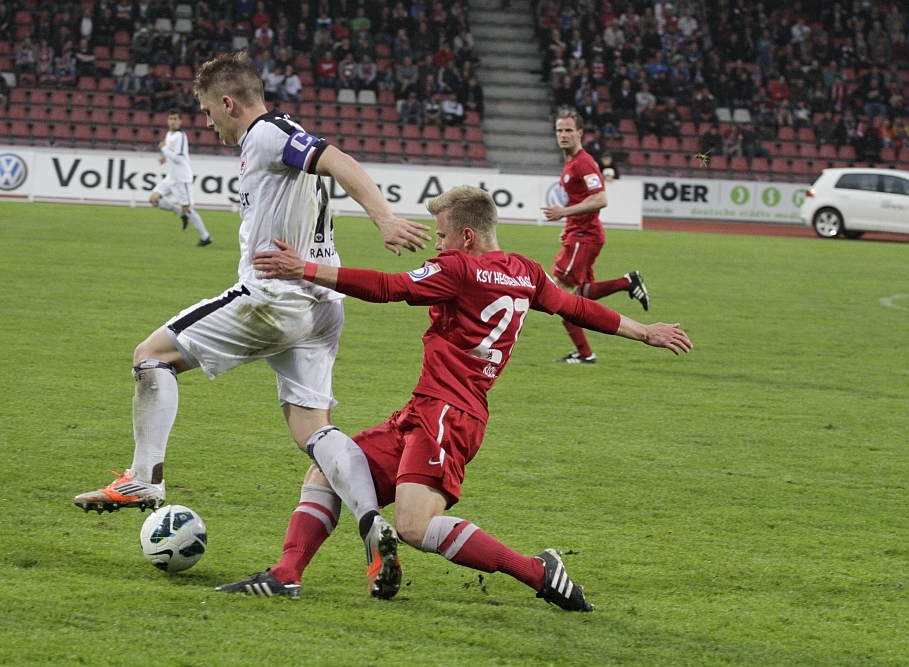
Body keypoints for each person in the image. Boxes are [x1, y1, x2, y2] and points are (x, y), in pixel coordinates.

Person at [73, 53, 430, 600]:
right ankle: (369, 519)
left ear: (228, 103)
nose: (207, 122)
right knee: (312, 429)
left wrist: (383, 218)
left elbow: (338, 159)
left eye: (207, 111)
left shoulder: (266, 133)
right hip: (321, 307)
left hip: (273, 297)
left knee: (151, 356)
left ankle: (143, 478)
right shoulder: (274, 141)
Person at [234, 186, 691, 608]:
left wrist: (305, 269)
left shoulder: (458, 268)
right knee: (325, 472)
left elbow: (389, 287)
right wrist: (643, 332)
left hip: (447, 415)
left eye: (442, 235)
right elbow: (576, 307)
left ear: (467, 236)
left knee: (415, 526)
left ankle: (537, 571)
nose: (437, 245)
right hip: (431, 410)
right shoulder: (527, 272)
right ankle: (286, 573)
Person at [541, 111, 650, 365]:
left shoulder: (584, 163)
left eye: (569, 130)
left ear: (580, 133)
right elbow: (581, 199)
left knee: (560, 296)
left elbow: (600, 199)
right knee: (580, 294)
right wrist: (569, 225)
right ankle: (627, 282)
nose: (563, 135)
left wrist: (564, 213)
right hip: (580, 233)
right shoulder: (570, 162)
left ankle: (585, 354)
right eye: (559, 130)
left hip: (585, 236)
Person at [146, 109, 212, 246]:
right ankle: (180, 212)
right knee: (153, 199)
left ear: (181, 121)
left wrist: (164, 149)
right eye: (171, 119)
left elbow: (178, 157)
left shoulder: (180, 136)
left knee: (188, 208)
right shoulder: (169, 134)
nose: (173, 122)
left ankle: (205, 237)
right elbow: (172, 154)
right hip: (171, 177)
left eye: (176, 119)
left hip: (182, 178)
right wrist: (165, 157)